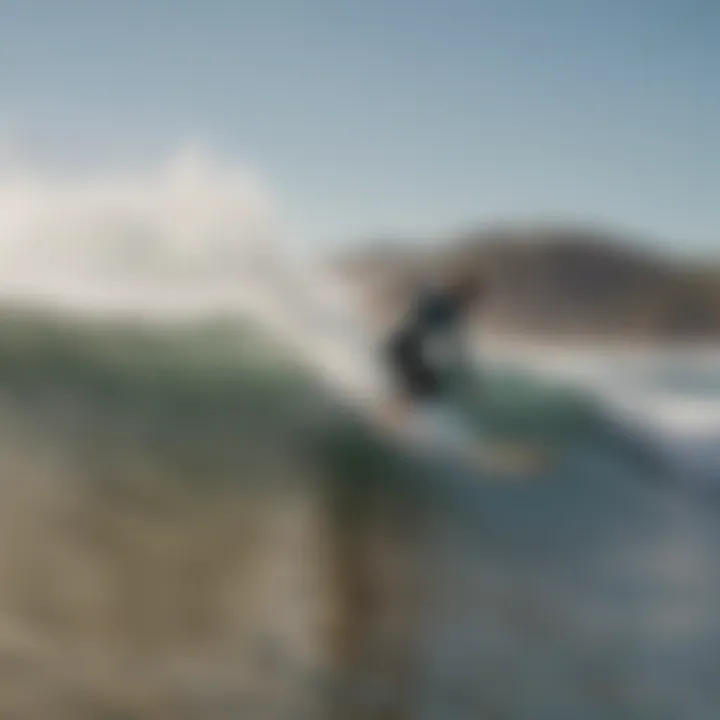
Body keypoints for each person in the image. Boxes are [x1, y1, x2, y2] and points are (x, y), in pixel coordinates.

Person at [382, 267, 488, 430]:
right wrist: (467, 375)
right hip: (406, 348)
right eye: (472, 297)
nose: (472, 302)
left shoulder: (442, 301)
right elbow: (451, 345)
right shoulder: (448, 307)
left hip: (402, 346)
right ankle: (393, 420)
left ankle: (395, 417)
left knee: (424, 386)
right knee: (424, 386)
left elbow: (447, 342)